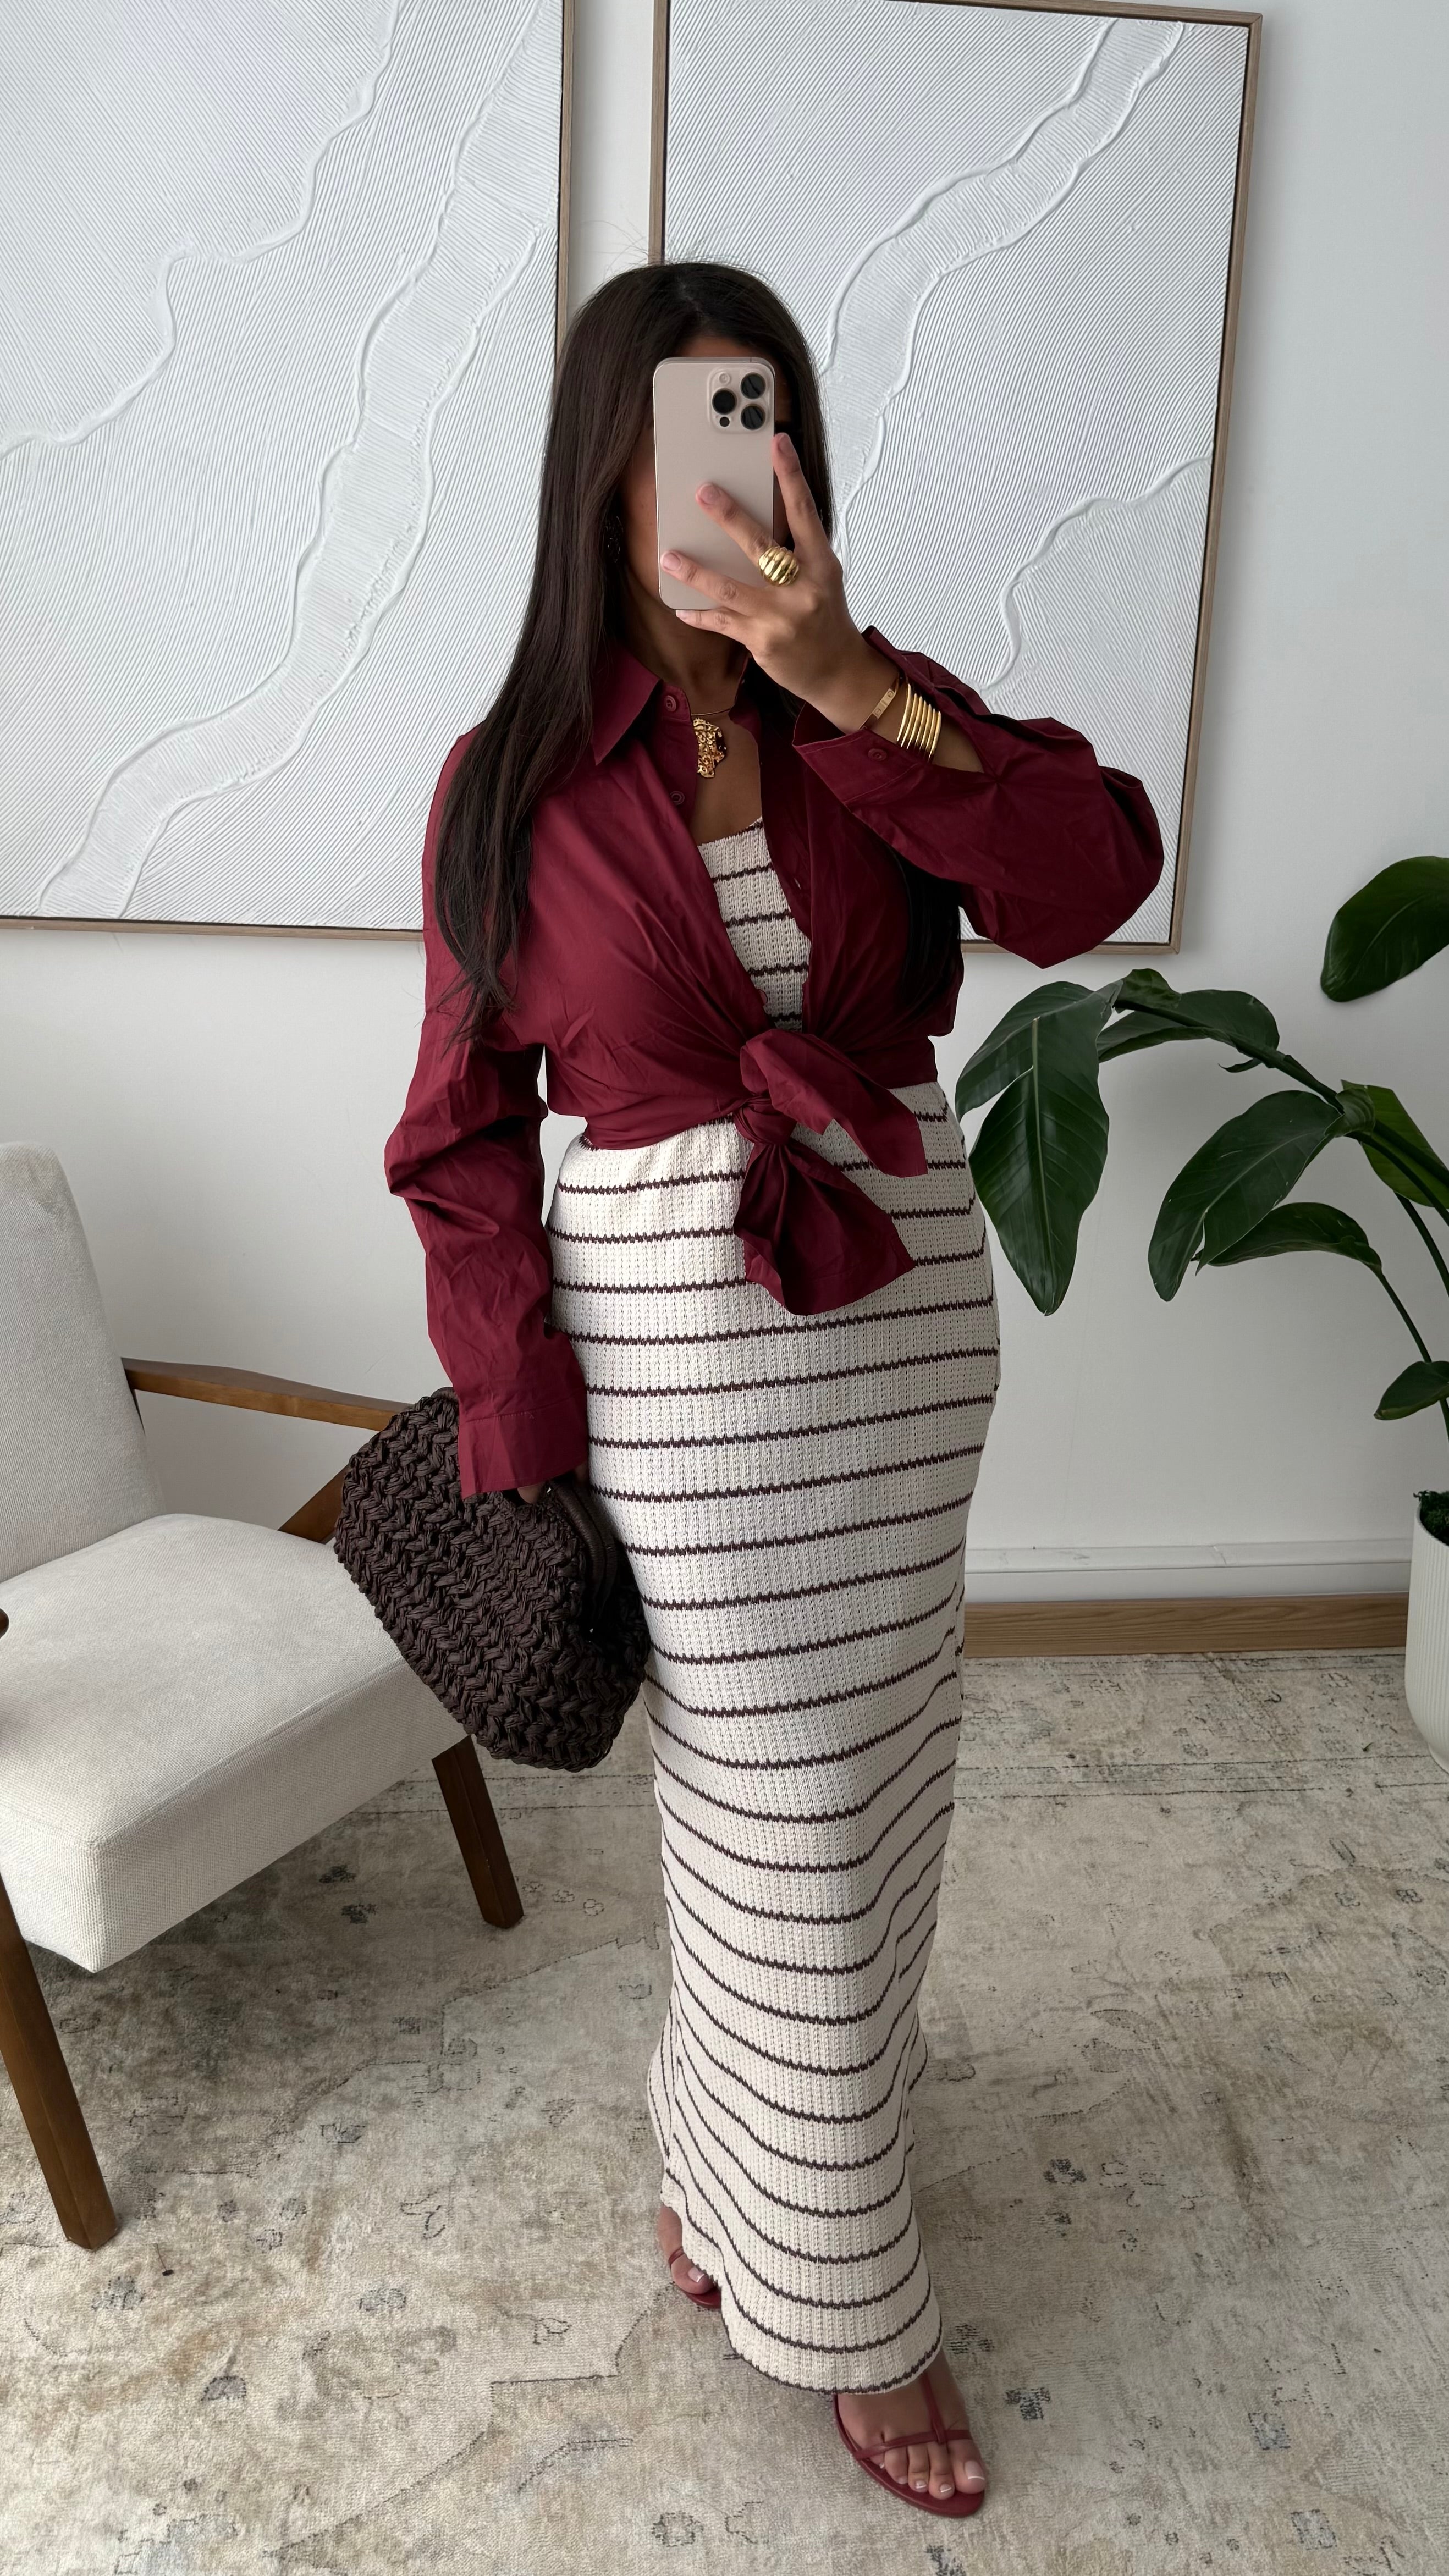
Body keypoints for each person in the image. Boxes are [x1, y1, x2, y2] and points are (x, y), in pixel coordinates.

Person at [385, 260, 1162, 2519]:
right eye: (685, 432)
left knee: (867, 1800)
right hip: (687, 1379)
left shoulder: (876, 708)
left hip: (902, 1346)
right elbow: (456, 1145)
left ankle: (721, 2161)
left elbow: (1087, 875)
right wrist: (523, 1437)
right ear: (599, 475)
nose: (733, 473)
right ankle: (856, 2306)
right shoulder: (508, 783)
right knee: (784, 1827)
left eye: (765, 423)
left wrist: (849, 691)